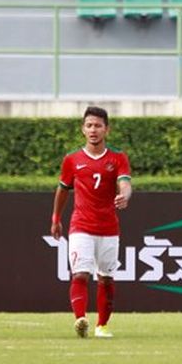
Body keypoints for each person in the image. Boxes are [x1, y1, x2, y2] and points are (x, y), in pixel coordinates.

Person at [50, 106, 131, 339]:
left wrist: (124, 196)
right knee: (81, 274)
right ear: (82, 129)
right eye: (89, 125)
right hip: (81, 226)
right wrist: (56, 218)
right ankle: (80, 320)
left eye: (97, 125)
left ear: (107, 129)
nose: (93, 130)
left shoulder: (117, 157)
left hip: (108, 228)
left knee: (106, 277)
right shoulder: (72, 160)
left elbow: (125, 183)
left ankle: (102, 326)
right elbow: (63, 190)